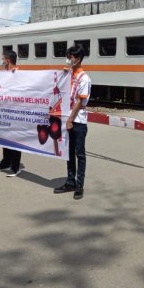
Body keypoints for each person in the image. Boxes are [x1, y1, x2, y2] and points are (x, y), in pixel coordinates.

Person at [53, 45, 91, 200]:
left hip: (78, 121)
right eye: (68, 56)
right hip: (66, 119)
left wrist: (69, 120)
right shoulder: (69, 75)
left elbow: (80, 102)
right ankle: (70, 182)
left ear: (78, 59)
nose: (69, 60)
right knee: (68, 153)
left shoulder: (85, 78)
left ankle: (79, 185)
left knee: (79, 154)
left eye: (71, 57)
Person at [0, 50, 22, 177]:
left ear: (8, 60)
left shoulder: (19, 74)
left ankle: (15, 166)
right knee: (4, 137)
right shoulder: (4, 74)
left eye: (3, 59)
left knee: (15, 138)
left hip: (15, 111)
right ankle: (5, 162)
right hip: (4, 110)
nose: (2, 61)